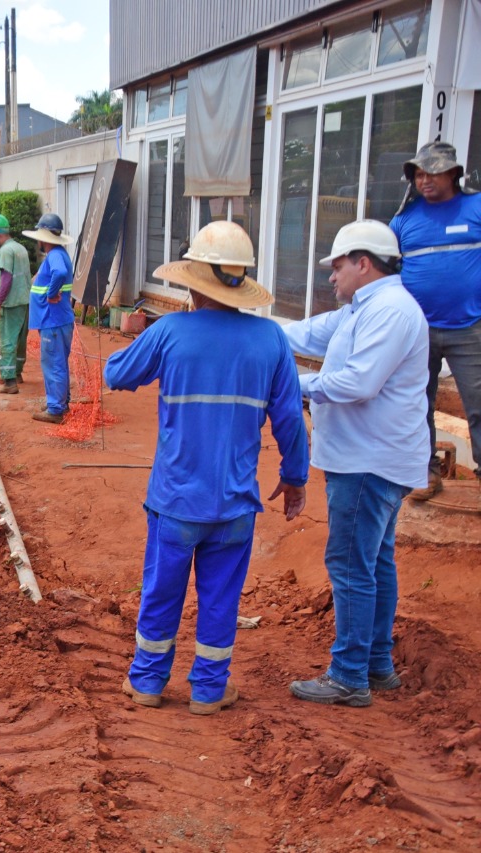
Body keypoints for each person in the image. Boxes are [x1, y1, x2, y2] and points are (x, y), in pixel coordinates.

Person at [104, 221, 309, 715]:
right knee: (220, 600)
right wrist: (295, 478)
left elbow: (116, 373)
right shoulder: (271, 340)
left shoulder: (171, 331)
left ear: (192, 282)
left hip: (176, 501)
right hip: (235, 504)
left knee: (162, 592)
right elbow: (290, 420)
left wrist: (142, 345)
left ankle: (148, 683)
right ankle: (209, 691)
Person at [283, 221, 428, 707]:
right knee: (374, 562)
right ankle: (376, 665)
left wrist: (293, 387)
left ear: (364, 263)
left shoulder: (389, 311)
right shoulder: (361, 311)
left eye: (337, 266)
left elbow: (357, 383)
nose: (331, 276)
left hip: (369, 461)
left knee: (349, 565)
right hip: (373, 457)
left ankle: (348, 676)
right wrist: (245, 324)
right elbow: (304, 333)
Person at [389, 142, 481, 500]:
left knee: (478, 403)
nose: (425, 180)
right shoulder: (404, 220)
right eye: (419, 174)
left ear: (454, 173)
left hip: (470, 328)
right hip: (418, 331)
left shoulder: (475, 208)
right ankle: (424, 471)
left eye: (433, 172)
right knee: (416, 402)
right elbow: (388, 270)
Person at [21, 213, 76, 423]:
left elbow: (60, 273)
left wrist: (51, 294)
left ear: (44, 238)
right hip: (57, 320)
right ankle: (60, 402)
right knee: (58, 362)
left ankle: (55, 409)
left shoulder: (54, 256)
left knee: (53, 364)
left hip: (53, 321)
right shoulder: (59, 253)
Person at [0, 213, 32, 394]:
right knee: (20, 340)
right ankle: (17, 373)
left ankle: (9, 382)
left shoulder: (5, 251)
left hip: (10, 304)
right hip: (24, 301)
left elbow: (6, 279)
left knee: (4, 341)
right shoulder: (20, 248)